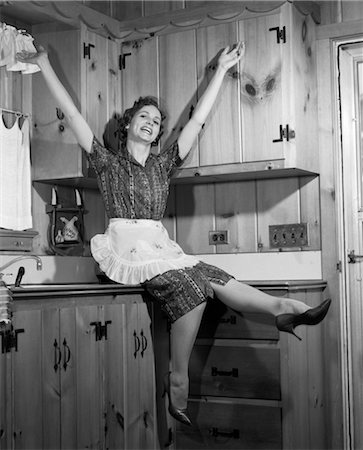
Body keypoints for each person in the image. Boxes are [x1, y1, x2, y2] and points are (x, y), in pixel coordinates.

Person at [17, 41, 331, 427]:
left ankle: (282, 311)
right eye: (143, 116)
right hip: (126, 249)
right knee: (193, 287)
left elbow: (196, 121)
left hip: (158, 248)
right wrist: (46, 64)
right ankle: (178, 376)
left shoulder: (163, 165)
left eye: (156, 121)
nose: (151, 122)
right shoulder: (106, 162)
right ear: (127, 124)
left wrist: (220, 70)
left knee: (208, 275)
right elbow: (73, 114)